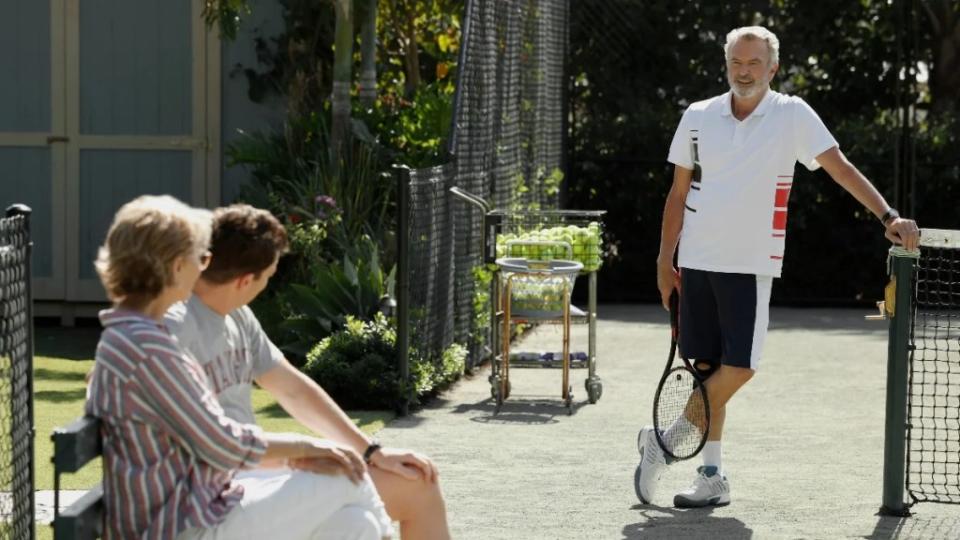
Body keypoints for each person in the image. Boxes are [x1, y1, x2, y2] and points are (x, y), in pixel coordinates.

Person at [636, 26, 921, 508]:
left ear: (773, 68)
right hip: (697, 261)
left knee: (739, 368)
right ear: (726, 65)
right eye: (736, 63)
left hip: (750, 264)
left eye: (754, 64)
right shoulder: (698, 115)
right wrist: (666, 259)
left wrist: (887, 215)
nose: (744, 72)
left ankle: (663, 442)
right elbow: (677, 194)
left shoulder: (792, 114)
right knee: (706, 370)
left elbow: (839, 167)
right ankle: (711, 475)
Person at [86, 195, 393, 539]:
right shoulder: (147, 347)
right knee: (348, 475)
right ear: (175, 267)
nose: (205, 269)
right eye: (200, 258)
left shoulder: (136, 337)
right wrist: (308, 448)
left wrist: (300, 455)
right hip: (183, 525)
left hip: (203, 506)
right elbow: (221, 444)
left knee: (354, 526)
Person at [163, 204, 451, 539]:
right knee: (348, 477)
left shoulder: (238, 317)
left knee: (365, 520)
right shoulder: (171, 329)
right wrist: (303, 451)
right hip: (200, 510)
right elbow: (202, 442)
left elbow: (293, 390)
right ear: (244, 280)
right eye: (268, 277)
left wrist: (371, 452)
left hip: (248, 482)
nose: (267, 285)